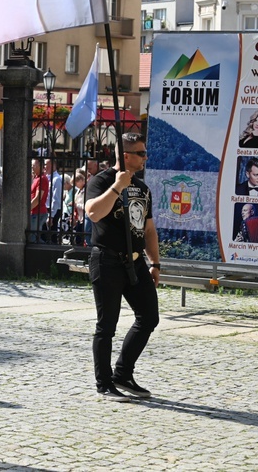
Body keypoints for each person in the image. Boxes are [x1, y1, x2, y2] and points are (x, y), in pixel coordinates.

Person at [85, 132, 160, 402]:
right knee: (107, 325)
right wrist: (117, 187)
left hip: (136, 261)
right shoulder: (102, 180)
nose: (145, 157)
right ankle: (104, 383)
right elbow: (93, 212)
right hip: (107, 260)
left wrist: (156, 263)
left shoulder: (142, 187)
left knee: (149, 317)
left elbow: (148, 228)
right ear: (125, 155)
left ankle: (122, 374)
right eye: (140, 153)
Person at [29, 158, 49, 243]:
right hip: (34, 212)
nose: (32, 167)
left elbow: (37, 199)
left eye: (33, 165)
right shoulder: (36, 178)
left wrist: (27, 209)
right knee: (33, 237)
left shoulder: (42, 179)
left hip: (38, 212)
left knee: (33, 238)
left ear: (40, 166)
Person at [44, 158, 63, 244]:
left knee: (52, 234)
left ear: (53, 166)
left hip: (53, 210)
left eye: (46, 165)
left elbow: (56, 199)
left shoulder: (57, 179)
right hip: (47, 208)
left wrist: (51, 215)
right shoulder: (48, 177)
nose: (44, 167)